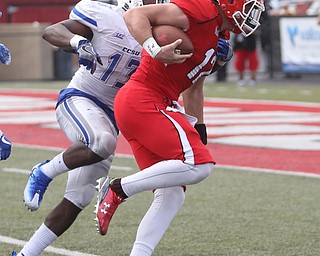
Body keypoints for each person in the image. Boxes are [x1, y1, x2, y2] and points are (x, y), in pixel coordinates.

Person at [95, 0, 265, 255]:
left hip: (151, 103)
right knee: (199, 165)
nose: (252, 15)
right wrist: (153, 48)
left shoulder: (221, 32)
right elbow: (135, 15)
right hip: (143, 99)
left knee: (172, 195)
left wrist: (201, 130)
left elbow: (194, 88)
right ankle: (118, 188)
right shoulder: (201, 9)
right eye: (249, 6)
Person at [11, 0, 164, 255]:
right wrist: (77, 42)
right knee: (103, 142)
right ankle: (44, 171)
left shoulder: (158, 31)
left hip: (112, 115)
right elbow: (51, 31)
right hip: (81, 98)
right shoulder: (105, 15)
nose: (158, 5)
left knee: (79, 197)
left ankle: (26, 253)